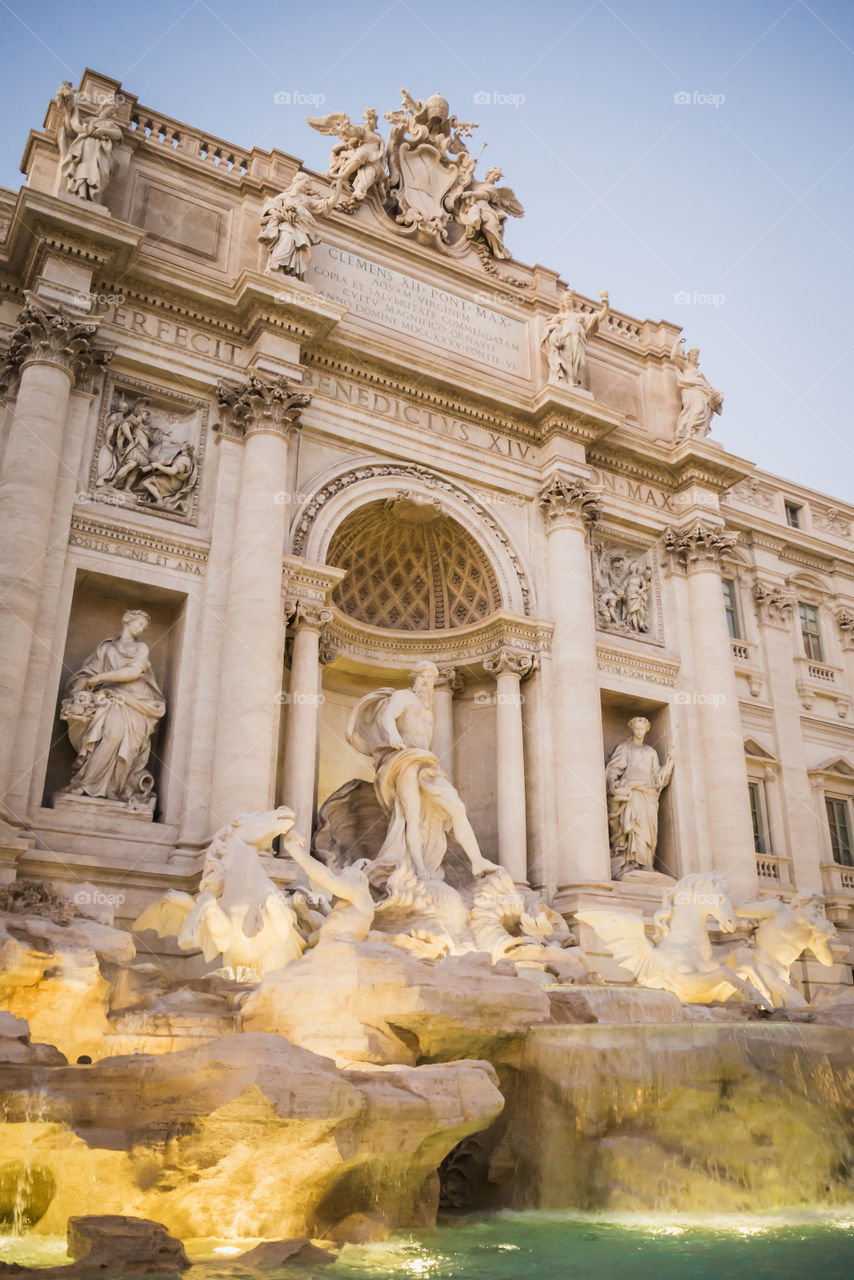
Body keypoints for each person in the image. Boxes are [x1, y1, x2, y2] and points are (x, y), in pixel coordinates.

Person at [347, 660, 497, 885]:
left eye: (431, 679)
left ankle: (477, 860)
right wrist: (392, 734)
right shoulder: (403, 697)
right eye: (424, 677)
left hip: (426, 763)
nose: (427, 682)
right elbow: (388, 716)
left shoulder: (428, 707)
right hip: (404, 758)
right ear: (414, 678)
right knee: (412, 815)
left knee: (456, 806)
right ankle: (418, 867)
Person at [59, 610, 165, 806]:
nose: (141, 629)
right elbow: (87, 672)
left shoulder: (141, 647)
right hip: (109, 699)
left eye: (144, 627)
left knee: (124, 743)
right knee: (110, 735)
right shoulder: (106, 649)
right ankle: (88, 784)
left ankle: (113, 788)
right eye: (139, 624)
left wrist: (100, 678)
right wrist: (85, 684)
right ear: (127, 621)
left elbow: (133, 671)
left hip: (137, 704)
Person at [605, 716, 674, 873]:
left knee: (648, 832)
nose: (639, 731)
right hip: (633, 792)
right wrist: (613, 785)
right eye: (637, 728)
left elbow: (658, 778)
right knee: (634, 827)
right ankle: (632, 862)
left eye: (642, 729)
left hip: (648, 795)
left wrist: (670, 762)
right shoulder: (625, 747)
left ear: (647, 729)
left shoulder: (651, 752)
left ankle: (646, 863)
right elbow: (613, 769)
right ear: (632, 729)